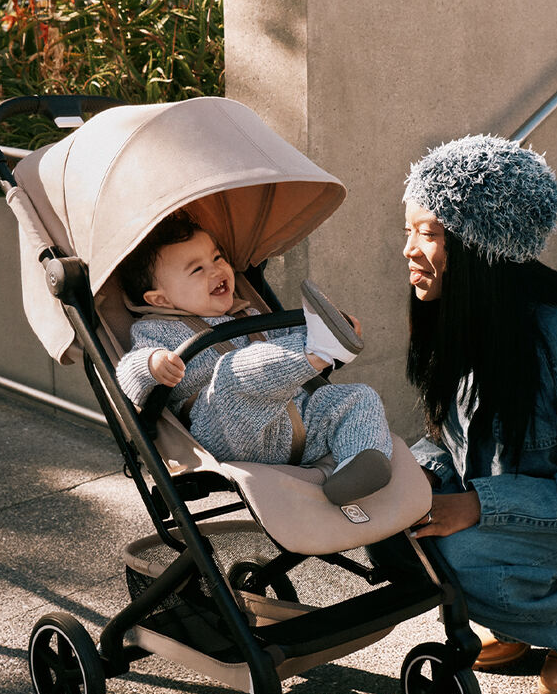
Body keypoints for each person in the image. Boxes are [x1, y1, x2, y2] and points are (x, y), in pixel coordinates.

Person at [398, 135, 557, 694]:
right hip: (525, 517)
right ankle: (522, 622)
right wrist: (407, 473)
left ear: (482, 246)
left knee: (457, 555)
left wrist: (478, 506)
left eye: (431, 233)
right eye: (409, 230)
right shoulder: (457, 321)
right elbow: (446, 443)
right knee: (394, 529)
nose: (409, 251)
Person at [112, 212, 394, 507]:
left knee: (358, 397)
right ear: (161, 299)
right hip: (228, 429)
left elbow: (282, 341)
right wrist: (152, 364)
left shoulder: (249, 314)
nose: (217, 270)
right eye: (197, 269)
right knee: (232, 371)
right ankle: (319, 349)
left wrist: (333, 328)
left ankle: (358, 460)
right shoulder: (156, 329)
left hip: (298, 422)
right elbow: (127, 372)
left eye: (218, 257)